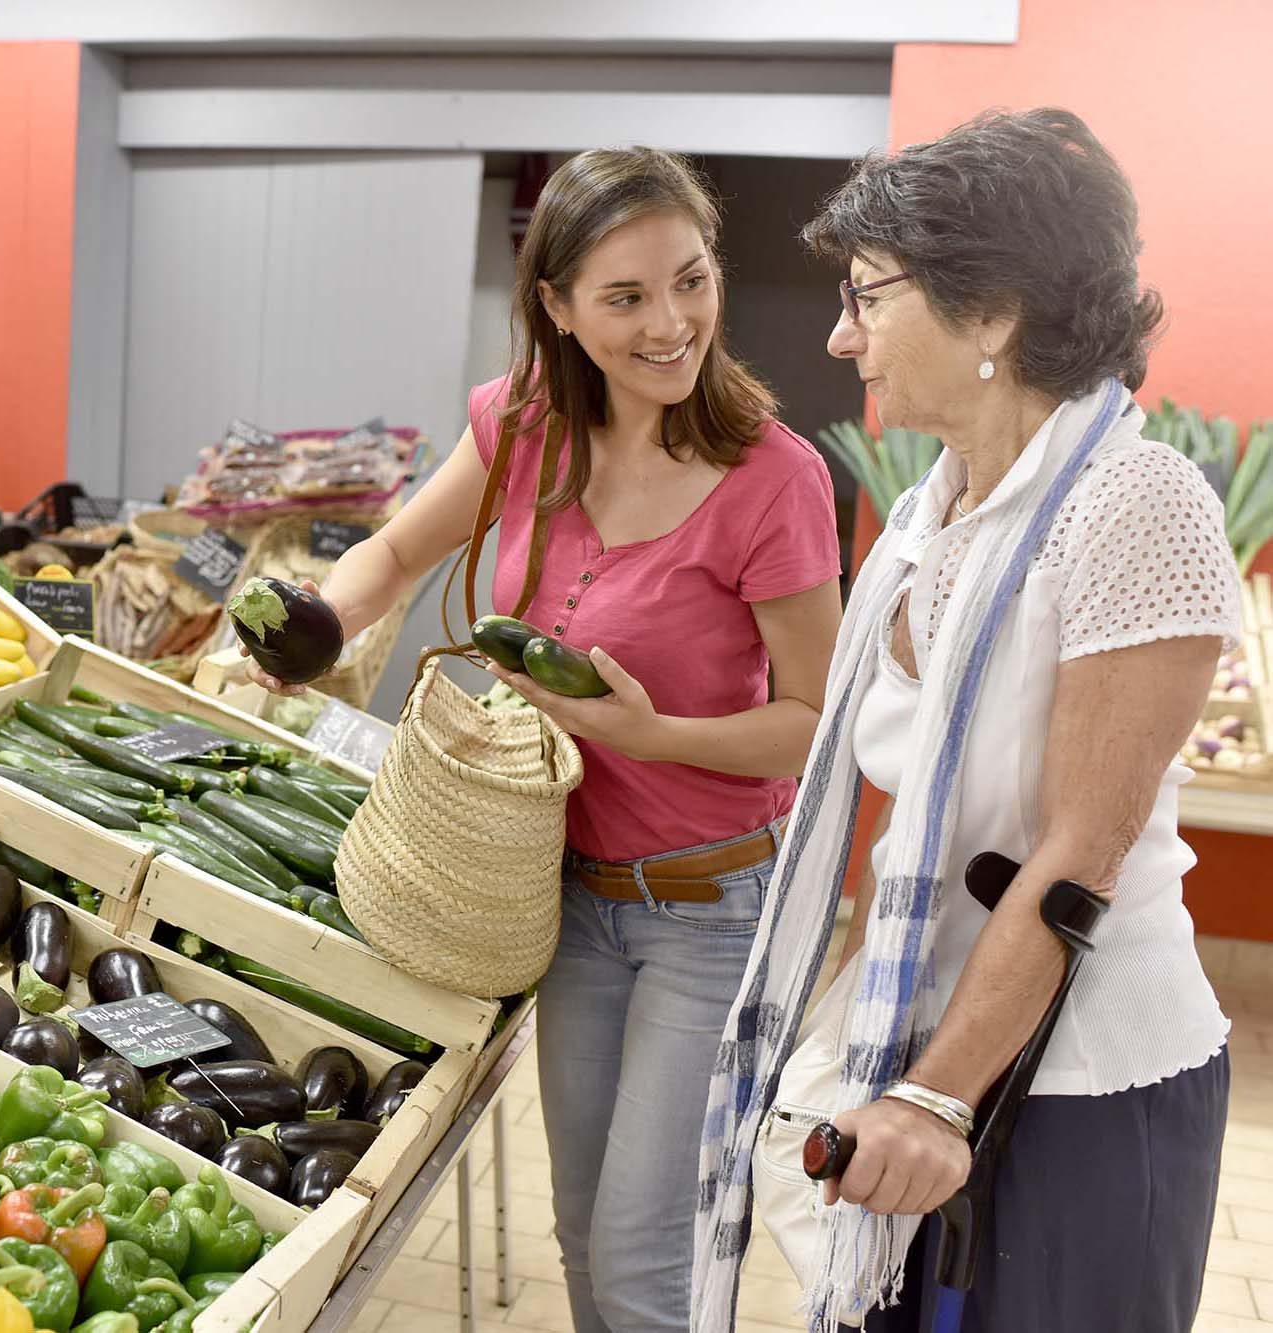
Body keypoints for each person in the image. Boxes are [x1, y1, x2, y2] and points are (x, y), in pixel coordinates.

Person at [248, 147, 843, 1332]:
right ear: (559, 310)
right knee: (583, 1228)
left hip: (710, 911)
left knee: (636, 1254)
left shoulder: (772, 480)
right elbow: (399, 553)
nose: (670, 323)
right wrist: (315, 623)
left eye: (689, 279)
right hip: (563, 895)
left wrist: (651, 730)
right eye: (624, 298)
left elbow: (813, 727)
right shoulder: (522, 423)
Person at [693, 108, 1239, 1333]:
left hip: (1080, 1082)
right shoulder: (929, 520)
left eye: (867, 298)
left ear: (991, 310)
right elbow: (908, 838)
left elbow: (1076, 856)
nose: (841, 338)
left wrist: (933, 1099)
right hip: (932, 1045)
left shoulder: (1136, 507)